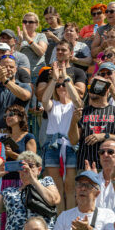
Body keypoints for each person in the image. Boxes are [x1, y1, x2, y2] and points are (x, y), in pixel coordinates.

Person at [41, 62, 82, 212]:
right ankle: (60, 220)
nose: (61, 87)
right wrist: (54, 79)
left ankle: (70, 221)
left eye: (63, 85)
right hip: (52, 144)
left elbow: (78, 101)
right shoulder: (53, 104)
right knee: (57, 187)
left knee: (70, 187)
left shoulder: (73, 105)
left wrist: (66, 78)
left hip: (71, 144)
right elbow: (44, 100)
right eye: (58, 86)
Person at [68, 74, 115, 170]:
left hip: (110, 167)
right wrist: (73, 122)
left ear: (107, 89)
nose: (92, 88)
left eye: (96, 85)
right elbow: (73, 141)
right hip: (85, 166)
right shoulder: (82, 112)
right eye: (90, 86)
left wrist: (104, 136)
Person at [51, 171, 115, 230]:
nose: (82, 188)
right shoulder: (64, 216)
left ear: (97, 193)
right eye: (80, 185)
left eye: (88, 186)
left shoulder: (107, 214)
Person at [0, 50, 32, 132]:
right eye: (4, 67)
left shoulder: (23, 86)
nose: (8, 69)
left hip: (18, 134)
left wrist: (5, 80)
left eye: (11, 67)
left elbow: (25, 96)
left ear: (16, 69)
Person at [85, 139, 115, 211]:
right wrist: (89, 183)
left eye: (110, 152)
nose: (105, 155)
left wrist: (114, 178)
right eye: (102, 152)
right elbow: (85, 206)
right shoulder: (94, 178)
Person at [17, 12, 48, 83]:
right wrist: (19, 41)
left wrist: (27, 38)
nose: (27, 24)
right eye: (25, 22)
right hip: (22, 75)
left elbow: (40, 52)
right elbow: (14, 54)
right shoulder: (19, 36)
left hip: (37, 74)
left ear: (36, 24)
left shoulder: (41, 36)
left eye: (30, 22)